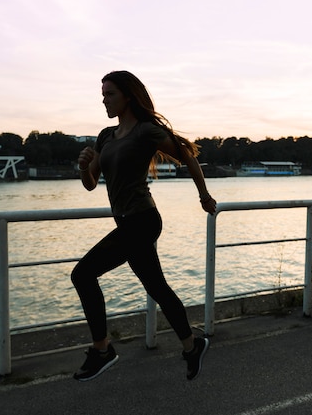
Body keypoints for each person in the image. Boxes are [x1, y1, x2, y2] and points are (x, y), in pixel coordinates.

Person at [71, 70, 217, 382]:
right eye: (103, 94)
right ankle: (192, 345)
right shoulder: (106, 137)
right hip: (126, 221)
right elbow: (90, 182)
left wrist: (204, 196)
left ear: (127, 96)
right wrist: (83, 166)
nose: (104, 100)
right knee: (157, 287)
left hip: (142, 220)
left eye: (109, 94)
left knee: (82, 274)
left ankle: (102, 350)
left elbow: (188, 157)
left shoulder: (146, 131)